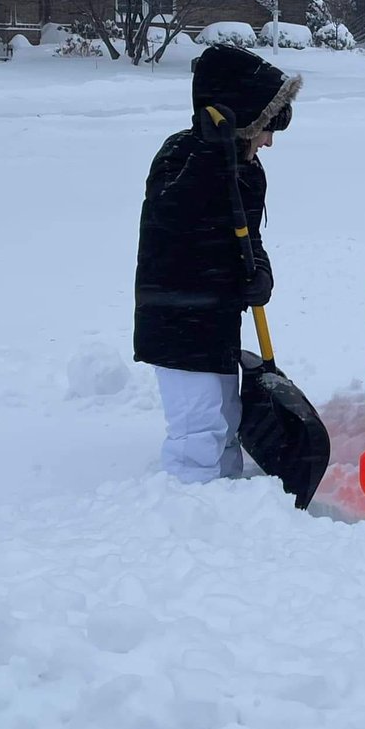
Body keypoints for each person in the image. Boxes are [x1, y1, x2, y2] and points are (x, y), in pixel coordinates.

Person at [133, 43, 300, 483]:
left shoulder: (249, 168)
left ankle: (227, 503)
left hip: (218, 317)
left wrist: (260, 271)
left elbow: (250, 236)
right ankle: (188, 515)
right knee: (198, 428)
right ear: (239, 118)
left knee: (228, 421)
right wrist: (214, 153)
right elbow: (174, 219)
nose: (269, 141)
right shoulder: (180, 156)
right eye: (265, 128)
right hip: (175, 318)